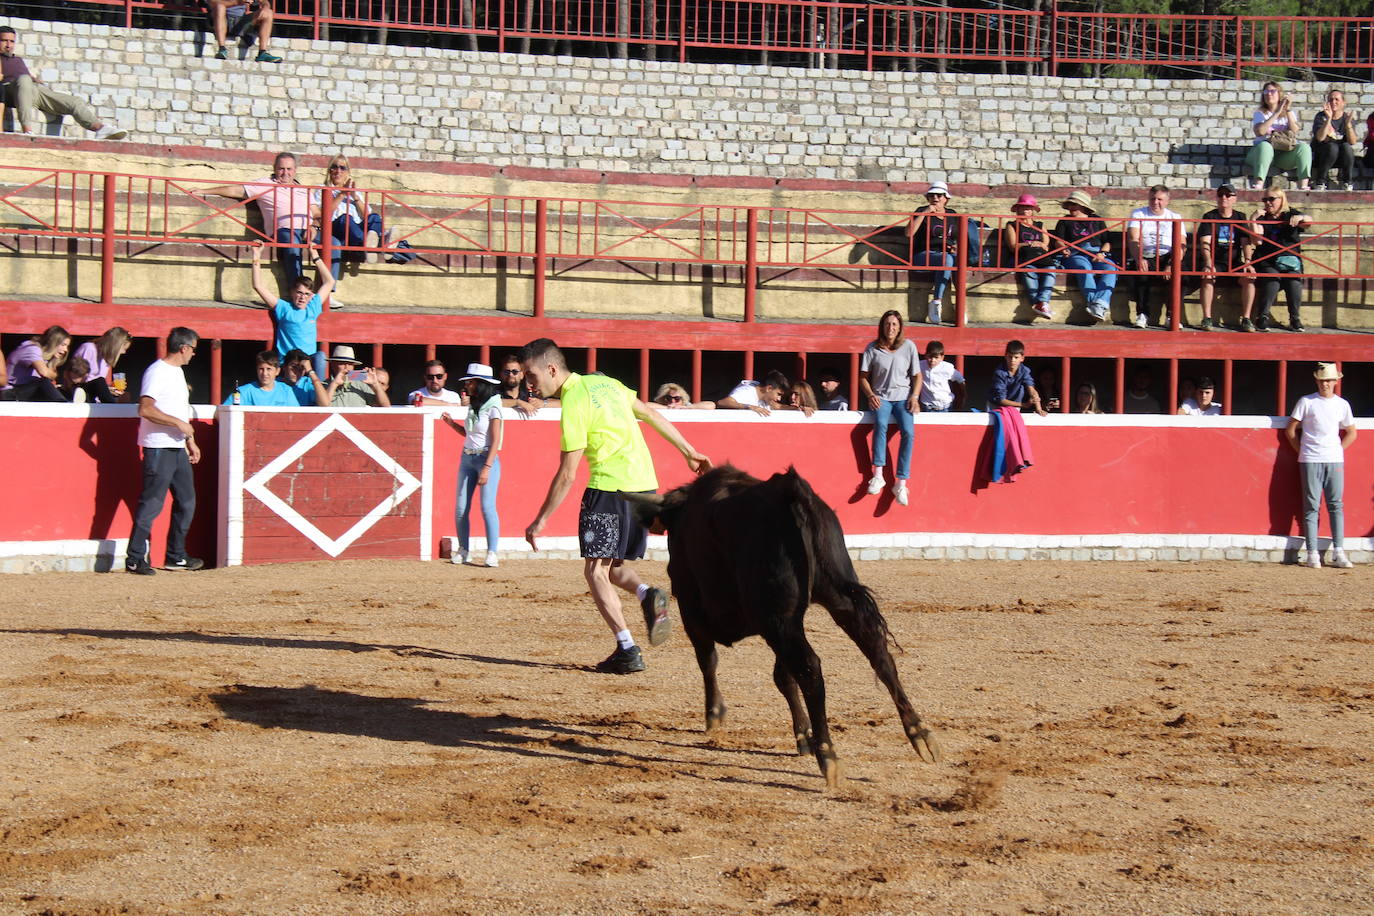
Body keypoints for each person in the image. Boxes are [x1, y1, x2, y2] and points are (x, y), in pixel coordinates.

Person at [521, 338, 712, 675]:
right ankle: (646, 593)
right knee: (613, 567)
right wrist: (689, 451)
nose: (529, 384)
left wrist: (541, 519)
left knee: (594, 570)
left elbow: (567, 473)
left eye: (532, 376)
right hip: (644, 489)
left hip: (610, 489)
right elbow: (650, 413)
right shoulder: (607, 383)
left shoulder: (575, 402)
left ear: (552, 369)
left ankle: (627, 648)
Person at [126, 327, 203, 576]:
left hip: (176, 445)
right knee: (151, 503)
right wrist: (179, 425)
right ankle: (136, 558)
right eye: (193, 349)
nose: (193, 354)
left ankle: (176, 556)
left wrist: (188, 438)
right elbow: (145, 409)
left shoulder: (176, 372)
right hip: (158, 445)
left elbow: (177, 410)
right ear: (184, 348)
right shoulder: (157, 371)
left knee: (187, 501)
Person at [195, 152, 314, 282]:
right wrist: (205, 191)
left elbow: (317, 213)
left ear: (295, 170)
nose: (285, 173)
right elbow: (235, 190)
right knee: (293, 244)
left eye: (289, 169)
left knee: (333, 242)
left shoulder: (304, 189)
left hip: (308, 230)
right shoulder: (265, 184)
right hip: (284, 231)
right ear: (274, 168)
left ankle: (326, 292)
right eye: (281, 168)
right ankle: (298, 293)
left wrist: (314, 227)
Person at [1286, 362, 1357, 569]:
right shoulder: (1306, 401)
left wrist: (1338, 449)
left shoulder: (1342, 404)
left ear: (1335, 381)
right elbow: (1290, 430)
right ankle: (1312, 552)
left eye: (1328, 380)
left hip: (1332, 458)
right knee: (1313, 507)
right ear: (1317, 381)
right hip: (1311, 458)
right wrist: (1302, 451)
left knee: (1335, 505)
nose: (1325, 384)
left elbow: (1352, 432)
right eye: (1322, 380)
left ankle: (1338, 551)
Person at [0, 26, 127, 139]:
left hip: (34, 91)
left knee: (74, 101)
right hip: (12, 90)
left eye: (12, 41)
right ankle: (27, 131)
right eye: (4, 40)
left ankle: (100, 128)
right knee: (24, 79)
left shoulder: (17, 59)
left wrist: (33, 79)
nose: (8, 45)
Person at [441, 363, 504, 568]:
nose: (467, 385)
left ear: (481, 384)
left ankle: (492, 552)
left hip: (486, 458)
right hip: (467, 457)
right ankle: (464, 549)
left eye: (470, 382)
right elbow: (469, 435)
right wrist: (451, 424)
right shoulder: (474, 405)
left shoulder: (494, 405)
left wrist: (486, 467)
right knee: (461, 508)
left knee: (487, 507)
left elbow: (495, 440)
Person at [860, 310, 922, 506]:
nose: (891, 328)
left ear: (900, 327)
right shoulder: (872, 348)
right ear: (882, 326)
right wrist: (870, 395)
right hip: (882, 397)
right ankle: (878, 474)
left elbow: (917, 376)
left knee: (909, 433)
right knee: (880, 424)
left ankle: (901, 482)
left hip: (904, 398)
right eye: (887, 324)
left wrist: (915, 396)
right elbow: (863, 377)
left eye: (894, 324)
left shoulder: (909, 346)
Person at [249, 240, 333, 376]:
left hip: (307, 362)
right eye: (299, 293)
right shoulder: (284, 307)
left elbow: (330, 282)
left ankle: (320, 390)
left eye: (306, 294)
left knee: (321, 356)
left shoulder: (313, 307)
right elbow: (258, 286)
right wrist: (256, 256)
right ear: (292, 292)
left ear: (311, 296)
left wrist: (315, 256)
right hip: (288, 362)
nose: (302, 297)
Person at [310, 154, 385, 282]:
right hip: (335, 229)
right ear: (329, 170)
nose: (338, 171)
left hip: (354, 232)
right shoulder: (321, 189)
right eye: (334, 167)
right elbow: (321, 215)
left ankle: (369, 243)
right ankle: (376, 244)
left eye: (342, 168)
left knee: (375, 217)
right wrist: (342, 194)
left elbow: (366, 216)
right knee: (346, 218)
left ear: (348, 172)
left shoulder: (355, 192)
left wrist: (354, 196)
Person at [1250, 185, 1313, 333]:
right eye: (1265, 199)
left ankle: (1295, 319)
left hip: (1289, 261)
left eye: (1271, 199)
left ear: (1281, 199)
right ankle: (1262, 317)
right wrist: (1253, 219)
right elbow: (1257, 241)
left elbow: (1310, 221)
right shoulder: (1262, 217)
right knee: (1272, 279)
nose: (1267, 203)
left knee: (1294, 281)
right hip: (1267, 260)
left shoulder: (1290, 214)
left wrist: (1301, 217)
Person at [1196, 184, 1256, 332]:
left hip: (1234, 262)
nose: (1224, 198)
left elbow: (1245, 243)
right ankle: (1207, 318)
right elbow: (1205, 242)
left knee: (1249, 278)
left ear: (1234, 198)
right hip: (1215, 261)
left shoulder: (1240, 217)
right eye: (1221, 194)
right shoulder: (1210, 216)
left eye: (1228, 195)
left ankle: (1246, 319)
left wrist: (1248, 262)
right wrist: (1209, 263)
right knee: (1208, 276)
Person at [1051, 190, 1117, 325]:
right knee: (1084, 268)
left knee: (1111, 268)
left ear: (1083, 206)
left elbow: (1107, 241)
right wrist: (1063, 249)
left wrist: (1102, 254)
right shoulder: (1065, 221)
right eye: (1069, 205)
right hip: (1076, 254)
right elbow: (1058, 240)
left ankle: (1100, 303)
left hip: (1096, 253)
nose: (1071, 207)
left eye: (1074, 204)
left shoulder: (1097, 220)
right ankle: (1095, 304)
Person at [1126, 184, 1185, 329]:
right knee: (1141, 272)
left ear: (1167, 201)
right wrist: (1139, 258)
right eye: (1153, 199)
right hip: (1145, 254)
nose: (1156, 202)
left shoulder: (1175, 217)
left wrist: (1172, 264)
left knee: (1180, 274)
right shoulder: (1138, 214)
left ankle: (1172, 315)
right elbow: (1133, 238)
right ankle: (1142, 314)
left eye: (1160, 199)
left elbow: (1182, 244)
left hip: (1168, 256)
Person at [905, 180, 964, 325]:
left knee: (956, 259)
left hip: (944, 256)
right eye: (932, 195)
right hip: (922, 254)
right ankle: (936, 302)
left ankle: (961, 304)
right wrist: (924, 214)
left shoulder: (952, 215)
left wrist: (953, 246)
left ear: (946, 199)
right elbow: (908, 233)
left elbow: (955, 238)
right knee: (948, 260)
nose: (935, 198)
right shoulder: (921, 210)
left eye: (939, 195)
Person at [1245, 81, 1312, 191]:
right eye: (1266, 91)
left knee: (1304, 148)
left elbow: (1295, 130)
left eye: (1272, 91)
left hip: (1283, 154)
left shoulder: (1289, 113)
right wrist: (1276, 112)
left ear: (1279, 94)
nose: (1268, 94)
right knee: (1265, 146)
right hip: (1261, 154)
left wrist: (1287, 109)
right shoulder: (1260, 113)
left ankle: (1303, 184)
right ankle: (1259, 183)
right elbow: (1260, 132)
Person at [1004, 193, 1055, 320]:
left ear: (1033, 210)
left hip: (1041, 258)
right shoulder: (1012, 225)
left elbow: (1046, 245)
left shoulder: (1040, 225)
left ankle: (1041, 302)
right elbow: (1012, 245)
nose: (1025, 210)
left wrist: (1040, 244)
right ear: (1017, 209)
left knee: (1051, 270)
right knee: (1028, 270)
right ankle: (1040, 304)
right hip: (1023, 258)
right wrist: (1029, 243)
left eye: (1028, 208)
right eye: (1023, 207)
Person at [3, 324, 69, 402]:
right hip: (9, 393)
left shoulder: (44, 356)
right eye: (63, 345)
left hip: (23, 390)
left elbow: (50, 375)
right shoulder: (32, 349)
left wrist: (53, 362)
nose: (66, 350)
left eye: (67, 346)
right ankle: (63, 405)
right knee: (41, 382)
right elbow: (44, 373)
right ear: (53, 342)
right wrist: (53, 374)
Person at [1311, 89, 1358, 191]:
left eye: (1337, 99)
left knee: (1347, 147)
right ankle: (1321, 182)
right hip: (1323, 156)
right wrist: (1328, 119)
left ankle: (1347, 182)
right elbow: (1320, 138)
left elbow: (1353, 141)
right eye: (1331, 100)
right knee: (1332, 147)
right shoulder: (1321, 116)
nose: (1333, 102)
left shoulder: (1347, 118)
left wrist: (1348, 124)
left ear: (1343, 103)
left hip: (1341, 157)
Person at [207, 0, 282, 63]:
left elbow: (264, 1)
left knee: (268, 12)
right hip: (222, 19)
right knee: (220, 7)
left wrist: (265, 6)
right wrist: (237, 2)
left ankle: (262, 52)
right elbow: (212, 2)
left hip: (240, 20)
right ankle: (222, 49)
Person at [988, 340, 1047, 417]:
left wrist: (1039, 409)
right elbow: (1001, 400)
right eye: (1010, 357)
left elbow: (1031, 390)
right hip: (996, 406)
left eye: (1016, 357)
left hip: (1015, 406)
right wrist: (1023, 405)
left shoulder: (1025, 371)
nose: (1012, 360)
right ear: (1005, 356)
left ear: (1022, 358)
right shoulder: (999, 373)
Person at [73, 326, 132, 403]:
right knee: (100, 381)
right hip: (82, 393)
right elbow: (77, 375)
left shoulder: (105, 359)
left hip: (96, 398)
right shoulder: (89, 348)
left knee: (126, 396)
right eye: (124, 349)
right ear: (116, 346)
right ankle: (113, 408)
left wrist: (108, 389)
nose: (124, 352)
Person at [222, 350, 299, 406]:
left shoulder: (286, 391)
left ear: (277, 371)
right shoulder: (244, 391)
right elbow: (223, 412)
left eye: (269, 369)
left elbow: (297, 416)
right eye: (261, 369)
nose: (265, 373)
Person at [324, 345, 391, 407]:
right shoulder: (324, 385)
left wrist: (375, 384)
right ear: (333, 365)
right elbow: (324, 406)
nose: (346, 367)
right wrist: (334, 384)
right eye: (342, 363)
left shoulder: (360, 384)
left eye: (350, 364)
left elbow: (385, 406)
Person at [917, 340, 964, 413]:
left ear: (942, 357)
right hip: (927, 406)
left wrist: (962, 397)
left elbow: (960, 380)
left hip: (946, 406)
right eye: (930, 357)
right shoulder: (920, 366)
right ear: (925, 355)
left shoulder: (947, 368)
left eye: (936, 357)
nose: (932, 360)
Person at [717, 369, 789, 416]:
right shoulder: (746, 391)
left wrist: (796, 408)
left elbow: (777, 406)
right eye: (778, 394)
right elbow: (722, 402)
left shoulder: (765, 395)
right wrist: (748, 406)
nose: (779, 399)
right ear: (769, 388)